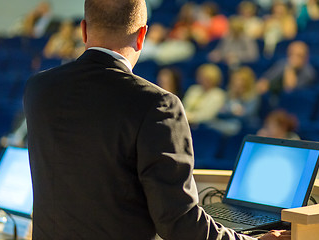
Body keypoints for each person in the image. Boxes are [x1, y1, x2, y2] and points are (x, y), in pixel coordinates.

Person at [24, 0, 290, 239]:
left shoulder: (39, 89)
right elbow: (179, 225)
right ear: (142, 36)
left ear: (83, 31)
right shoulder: (157, 104)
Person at [207, 67, 261, 136]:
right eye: (235, 80)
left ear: (246, 83)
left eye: (240, 80)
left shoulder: (253, 96)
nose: (237, 83)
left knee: (234, 126)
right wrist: (233, 112)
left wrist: (230, 112)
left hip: (241, 125)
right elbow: (221, 112)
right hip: (226, 121)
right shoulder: (229, 94)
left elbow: (247, 115)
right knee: (210, 123)